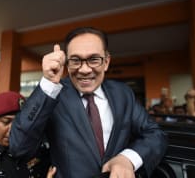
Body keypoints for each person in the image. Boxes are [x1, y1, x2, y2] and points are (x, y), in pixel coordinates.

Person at [9, 27, 167, 178]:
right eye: (75, 60)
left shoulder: (123, 94)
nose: (84, 69)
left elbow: (155, 134)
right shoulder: (53, 95)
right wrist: (48, 83)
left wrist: (127, 159)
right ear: (67, 63)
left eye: (93, 59)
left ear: (106, 62)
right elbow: (18, 147)